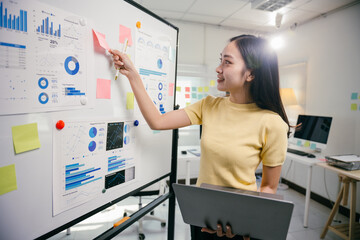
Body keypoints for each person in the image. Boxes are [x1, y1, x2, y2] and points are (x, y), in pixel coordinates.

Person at [109, 34, 290, 240]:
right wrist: (133, 75)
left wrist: (250, 223)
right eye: (220, 60)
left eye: (227, 62)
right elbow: (157, 121)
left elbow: (268, 187)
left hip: (240, 223)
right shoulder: (209, 105)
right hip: (203, 217)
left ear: (250, 74)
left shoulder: (273, 123)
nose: (218, 68)